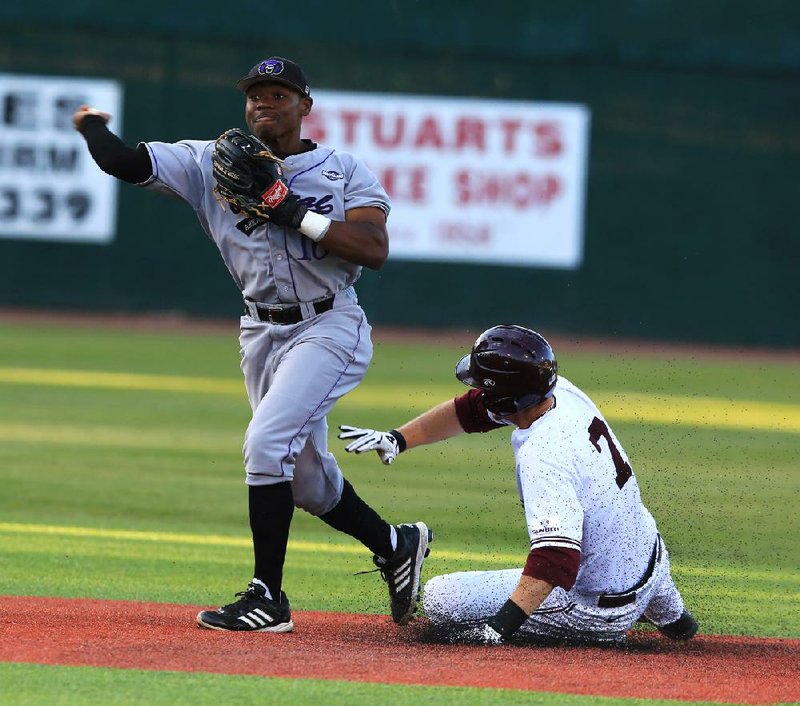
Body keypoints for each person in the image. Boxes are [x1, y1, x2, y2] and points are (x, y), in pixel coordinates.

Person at [73, 56, 431, 632]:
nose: (266, 102)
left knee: (266, 443)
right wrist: (90, 123)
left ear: (304, 106)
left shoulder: (342, 170)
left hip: (328, 325)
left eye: (280, 93)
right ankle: (395, 544)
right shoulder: (206, 162)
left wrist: (292, 212)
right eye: (256, 94)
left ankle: (269, 597)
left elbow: (373, 248)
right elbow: (120, 160)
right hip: (261, 332)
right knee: (307, 483)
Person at [338, 324, 697, 645]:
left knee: (440, 598)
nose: (478, 392)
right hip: (650, 556)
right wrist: (399, 439)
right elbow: (470, 411)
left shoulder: (543, 452)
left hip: (594, 606)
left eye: (483, 386)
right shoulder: (561, 394)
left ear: (507, 399)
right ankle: (675, 620)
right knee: (628, 560)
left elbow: (556, 558)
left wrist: (499, 627)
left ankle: (614, 621)